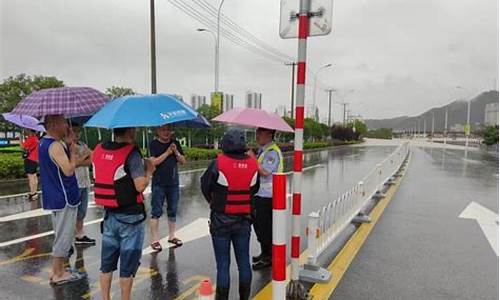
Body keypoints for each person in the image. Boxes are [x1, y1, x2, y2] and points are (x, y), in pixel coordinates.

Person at [92, 127, 155, 300]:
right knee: (127, 267)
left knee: (106, 265)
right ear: (130, 131)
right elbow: (140, 185)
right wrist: (149, 170)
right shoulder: (132, 153)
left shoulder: (99, 149)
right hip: (131, 219)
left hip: (109, 216)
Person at [201, 128, 260, 300]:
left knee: (223, 265)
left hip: (221, 220)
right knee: (243, 262)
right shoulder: (252, 164)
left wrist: (213, 201)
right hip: (244, 220)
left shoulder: (218, 163)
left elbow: (205, 185)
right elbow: (254, 189)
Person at [39, 115, 88, 285]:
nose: (67, 125)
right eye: (63, 122)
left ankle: (58, 270)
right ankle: (58, 273)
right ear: (53, 125)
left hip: (54, 195)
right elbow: (68, 170)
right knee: (64, 236)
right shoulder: (55, 145)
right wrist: (73, 152)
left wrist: (67, 144)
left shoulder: (44, 143)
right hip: (64, 196)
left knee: (60, 234)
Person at [250, 127, 284, 270]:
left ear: (269, 134)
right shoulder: (263, 150)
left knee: (265, 227)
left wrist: (253, 160)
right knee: (258, 224)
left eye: (260, 133)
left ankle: (268, 257)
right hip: (259, 193)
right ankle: (264, 252)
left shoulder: (272, 152)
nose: (257, 136)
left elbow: (265, 172)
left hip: (268, 195)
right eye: (257, 132)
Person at [148, 124, 186, 251]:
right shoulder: (153, 144)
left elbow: (183, 161)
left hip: (173, 182)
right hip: (159, 183)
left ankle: (172, 236)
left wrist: (175, 151)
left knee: (173, 210)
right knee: (156, 211)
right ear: (157, 131)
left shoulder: (175, 143)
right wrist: (167, 152)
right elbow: (153, 162)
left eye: (168, 130)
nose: (166, 132)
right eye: (163, 130)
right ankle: (155, 240)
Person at [64, 125, 95, 245]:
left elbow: (90, 162)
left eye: (78, 131)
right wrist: (84, 156)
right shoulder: (67, 146)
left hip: (85, 181)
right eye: (74, 131)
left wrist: (82, 159)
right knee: (71, 212)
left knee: (82, 211)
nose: (77, 134)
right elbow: (73, 163)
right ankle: (67, 238)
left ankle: (80, 234)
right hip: (73, 182)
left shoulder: (82, 144)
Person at [21, 129, 40, 201]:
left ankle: (32, 193)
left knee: (31, 177)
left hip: (30, 160)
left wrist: (20, 138)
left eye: (28, 130)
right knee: (34, 176)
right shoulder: (36, 139)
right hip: (35, 160)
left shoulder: (31, 138)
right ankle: (34, 192)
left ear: (30, 131)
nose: (26, 131)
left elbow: (22, 146)